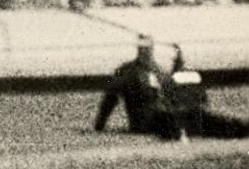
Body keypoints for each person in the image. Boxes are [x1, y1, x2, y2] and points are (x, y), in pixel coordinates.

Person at [95, 36, 249, 140]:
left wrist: (178, 62)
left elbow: (172, 89)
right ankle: (237, 130)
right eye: (144, 48)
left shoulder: (156, 69)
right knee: (186, 121)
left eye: (149, 48)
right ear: (139, 48)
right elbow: (109, 100)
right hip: (146, 123)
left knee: (198, 116)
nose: (147, 51)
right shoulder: (127, 71)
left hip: (164, 116)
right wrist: (99, 126)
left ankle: (240, 129)